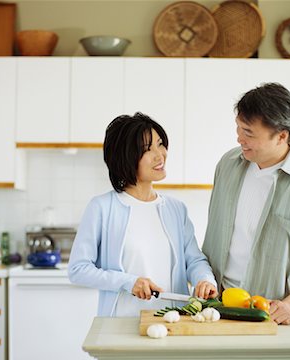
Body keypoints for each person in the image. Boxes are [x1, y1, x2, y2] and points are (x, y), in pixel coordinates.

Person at [202, 83, 290, 325]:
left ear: (282, 136)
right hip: (218, 311)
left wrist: (289, 306)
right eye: (238, 129)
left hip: (275, 319)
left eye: (249, 133)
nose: (239, 138)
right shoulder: (227, 165)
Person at [68, 112, 218, 317]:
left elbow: (194, 260)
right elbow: (78, 270)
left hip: (174, 322)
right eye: (147, 149)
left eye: (160, 144)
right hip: (122, 324)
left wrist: (205, 280)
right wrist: (129, 282)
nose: (160, 155)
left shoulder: (176, 209)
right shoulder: (102, 207)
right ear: (126, 157)